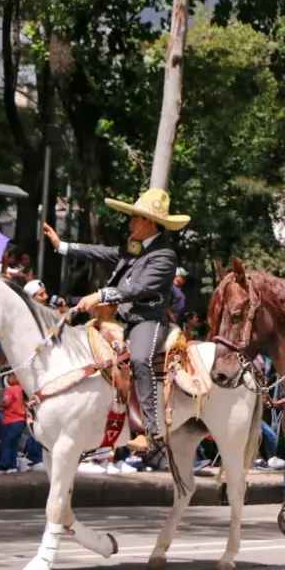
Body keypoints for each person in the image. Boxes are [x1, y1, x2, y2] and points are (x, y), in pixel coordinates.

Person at [42, 189, 189, 454]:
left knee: (140, 359)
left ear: (149, 223)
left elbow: (138, 289)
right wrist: (62, 246)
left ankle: (150, 431)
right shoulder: (135, 247)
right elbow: (103, 252)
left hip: (147, 320)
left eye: (135, 218)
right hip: (121, 318)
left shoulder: (165, 256)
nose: (130, 222)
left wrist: (99, 295)